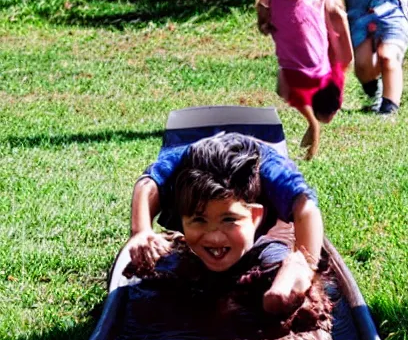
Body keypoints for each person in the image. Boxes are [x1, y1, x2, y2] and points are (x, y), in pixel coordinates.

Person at [128, 132, 324, 314]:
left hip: (264, 217)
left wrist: (306, 264)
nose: (214, 236)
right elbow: (146, 185)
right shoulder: (180, 165)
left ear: (255, 216)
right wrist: (141, 230)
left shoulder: (271, 172)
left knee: (276, 258)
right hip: (196, 170)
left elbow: (307, 209)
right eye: (199, 220)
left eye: (229, 220)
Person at [256, 0, 354, 159]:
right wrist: (264, 20)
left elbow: (343, 41)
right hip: (305, 68)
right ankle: (313, 124)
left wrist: (264, 21)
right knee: (292, 93)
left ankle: (315, 121)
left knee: (323, 112)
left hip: (315, 68)